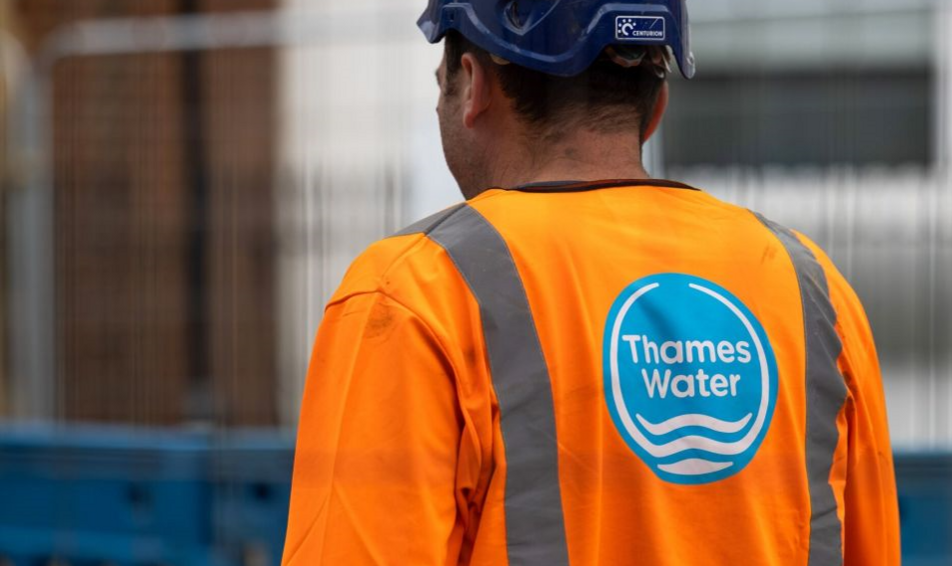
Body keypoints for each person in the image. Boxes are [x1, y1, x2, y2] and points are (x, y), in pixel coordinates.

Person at [281, 1, 901, 564]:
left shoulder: (414, 295)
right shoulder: (814, 293)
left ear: (472, 85)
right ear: (654, 107)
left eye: (441, 85)